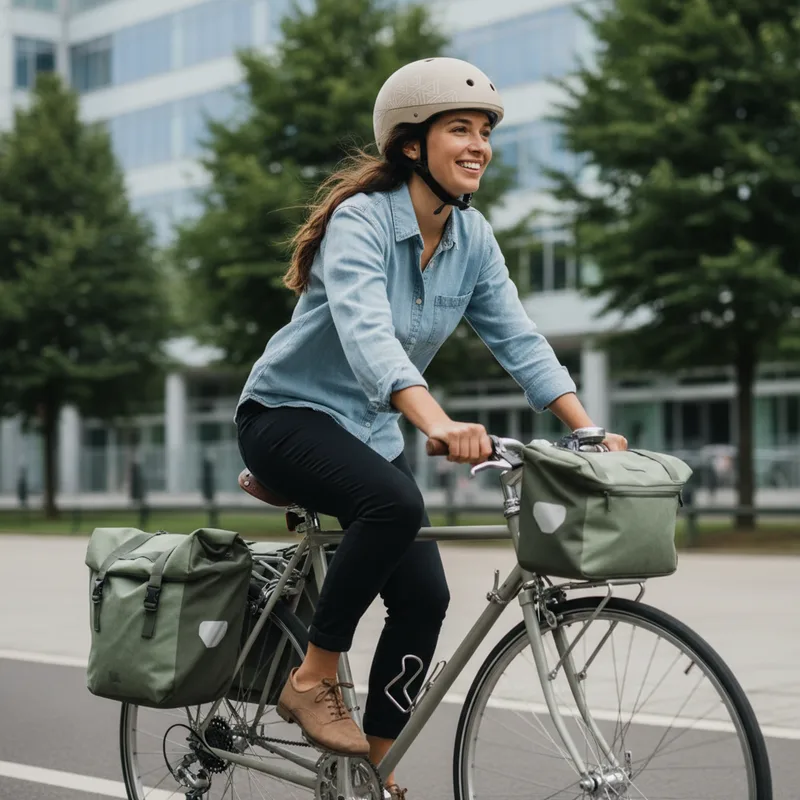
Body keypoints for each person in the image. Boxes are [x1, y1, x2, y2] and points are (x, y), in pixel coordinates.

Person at [235, 56, 628, 797]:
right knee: (397, 503)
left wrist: (586, 429)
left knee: (425, 596)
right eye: (460, 128)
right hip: (284, 418)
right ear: (412, 144)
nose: (478, 144)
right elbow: (366, 331)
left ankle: (371, 773)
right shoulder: (362, 221)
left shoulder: (472, 241)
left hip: (367, 440)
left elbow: (518, 338)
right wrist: (437, 420)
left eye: (485, 131)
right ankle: (311, 675)